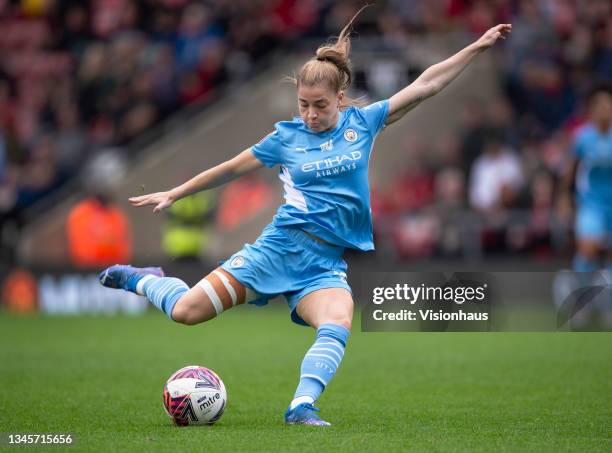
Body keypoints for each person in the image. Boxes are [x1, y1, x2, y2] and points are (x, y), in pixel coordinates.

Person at [99, 10, 511, 426]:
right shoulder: (285, 137)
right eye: (303, 105)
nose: (311, 115)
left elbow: (427, 84)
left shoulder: (362, 124)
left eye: (320, 106)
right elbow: (229, 168)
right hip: (277, 250)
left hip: (324, 264)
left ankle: (301, 408)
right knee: (187, 312)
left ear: (340, 100)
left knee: (338, 319)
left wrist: (475, 47)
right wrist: (176, 192)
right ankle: (143, 278)